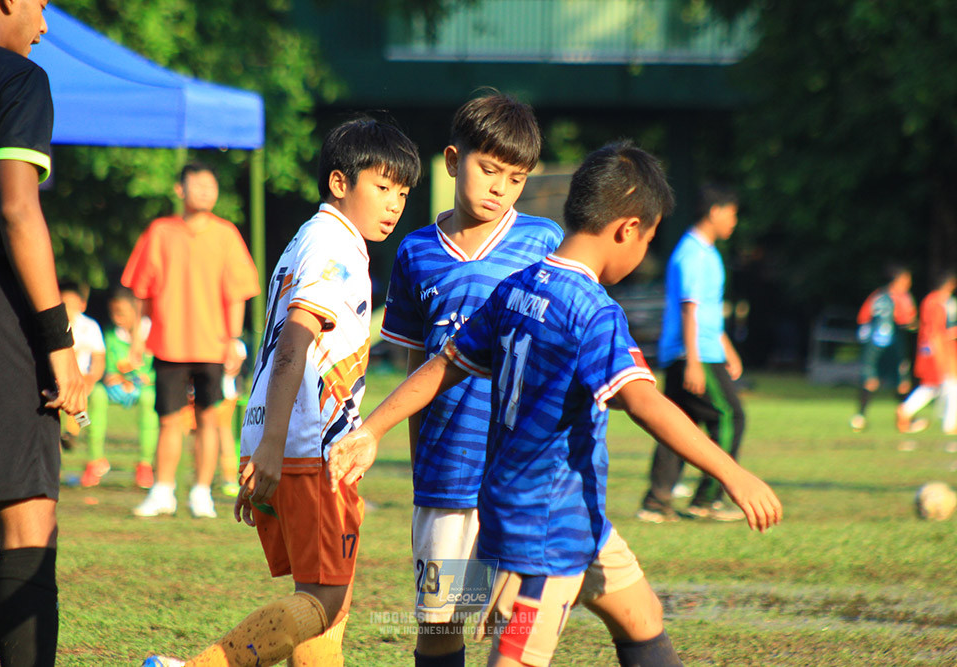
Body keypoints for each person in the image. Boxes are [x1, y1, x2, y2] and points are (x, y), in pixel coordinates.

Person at [329, 141, 782, 667]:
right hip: (541, 533)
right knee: (513, 654)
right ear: (628, 229)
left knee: (642, 617)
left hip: (574, 516)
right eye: (649, 240)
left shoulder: (519, 287)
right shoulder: (592, 311)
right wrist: (733, 474)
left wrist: (372, 429)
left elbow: (445, 363)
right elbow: (643, 402)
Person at [142, 117, 421, 667]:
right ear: (340, 183)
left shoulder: (309, 236)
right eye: (382, 187)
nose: (394, 204)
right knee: (326, 598)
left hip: (287, 438)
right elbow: (295, 341)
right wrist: (273, 445)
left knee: (323, 599)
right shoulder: (333, 246)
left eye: (404, 192)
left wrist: (264, 441)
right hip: (309, 446)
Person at [379, 92, 563, 667]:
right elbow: (416, 366)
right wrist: (417, 463)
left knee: (515, 624)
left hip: (520, 477)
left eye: (515, 178)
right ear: (453, 160)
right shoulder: (415, 253)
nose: (499, 188)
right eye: (488, 170)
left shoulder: (544, 244)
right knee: (441, 626)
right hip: (446, 475)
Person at [0, 1, 87, 664]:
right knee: (27, 518)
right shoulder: (16, 78)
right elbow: (16, 208)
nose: (42, 24)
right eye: (39, 4)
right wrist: (57, 339)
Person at [124, 162, 260, 519]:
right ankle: (163, 491)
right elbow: (142, 290)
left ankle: (202, 492)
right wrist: (138, 340)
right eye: (197, 184)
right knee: (168, 420)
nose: (204, 190)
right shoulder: (160, 232)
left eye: (210, 184)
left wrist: (233, 340)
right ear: (179, 190)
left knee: (210, 420)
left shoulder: (226, 233)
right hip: (169, 342)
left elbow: (238, 293)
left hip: (213, 345)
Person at [638, 184, 747, 523]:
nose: (734, 222)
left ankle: (656, 502)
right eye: (732, 214)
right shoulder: (692, 253)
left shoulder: (709, 252)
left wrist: (728, 348)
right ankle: (708, 499)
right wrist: (695, 361)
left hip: (701, 350)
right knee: (730, 417)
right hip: (694, 354)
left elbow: (708, 311)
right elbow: (690, 310)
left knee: (677, 427)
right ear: (715, 212)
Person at [81, 287, 159, 488]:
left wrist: (145, 377)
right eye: (113, 313)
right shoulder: (111, 335)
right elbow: (109, 367)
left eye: (122, 313)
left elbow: (154, 369)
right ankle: (95, 460)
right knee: (96, 395)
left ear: (137, 311)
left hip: (142, 389)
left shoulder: (151, 334)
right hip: (115, 388)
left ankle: (145, 464)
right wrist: (113, 376)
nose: (117, 318)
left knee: (149, 399)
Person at [850, 264, 917, 432]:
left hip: (873, 344)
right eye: (907, 279)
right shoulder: (901, 297)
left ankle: (860, 417)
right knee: (902, 382)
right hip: (893, 345)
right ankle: (905, 418)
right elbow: (905, 320)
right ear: (899, 280)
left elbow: (863, 317)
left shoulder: (876, 296)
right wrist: (915, 325)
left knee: (871, 379)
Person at [895, 271, 957, 435]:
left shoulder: (933, 300)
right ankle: (950, 424)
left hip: (934, 349)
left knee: (934, 386)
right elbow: (935, 331)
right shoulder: (936, 302)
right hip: (936, 350)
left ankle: (906, 410)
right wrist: (940, 353)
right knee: (950, 384)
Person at [59, 280, 106, 453]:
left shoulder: (90, 327)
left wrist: (92, 378)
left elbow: (99, 358)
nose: (68, 309)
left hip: (85, 378)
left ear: (82, 305)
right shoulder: (55, 326)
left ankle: (92, 451)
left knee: (94, 395)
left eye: (72, 305)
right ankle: (68, 436)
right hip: (59, 378)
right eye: (64, 304)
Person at [214, 336, 247, 498]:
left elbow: (233, 367)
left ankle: (229, 477)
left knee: (223, 433)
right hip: (199, 395)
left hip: (224, 395)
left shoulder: (234, 343)